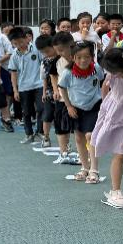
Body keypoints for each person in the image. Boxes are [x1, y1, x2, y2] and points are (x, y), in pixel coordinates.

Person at [93, 49, 123, 208]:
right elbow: (105, 88)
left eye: (117, 73)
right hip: (118, 116)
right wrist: (106, 105)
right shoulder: (113, 74)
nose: (115, 75)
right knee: (120, 153)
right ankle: (115, 191)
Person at [59, 42, 104, 183]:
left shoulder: (96, 69)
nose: (83, 60)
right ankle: (85, 168)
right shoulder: (68, 73)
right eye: (79, 57)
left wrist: (105, 101)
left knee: (91, 136)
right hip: (76, 108)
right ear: (73, 58)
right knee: (79, 138)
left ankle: (94, 170)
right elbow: (62, 88)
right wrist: (68, 106)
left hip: (94, 106)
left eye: (86, 57)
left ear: (92, 57)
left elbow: (103, 82)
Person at [7, 26, 43, 144]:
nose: (19, 45)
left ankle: (40, 132)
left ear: (27, 38)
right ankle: (29, 134)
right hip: (23, 87)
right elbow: (13, 73)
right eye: (15, 43)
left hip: (39, 85)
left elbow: (43, 64)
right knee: (26, 112)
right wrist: (15, 90)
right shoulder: (14, 55)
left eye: (21, 42)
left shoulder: (36, 49)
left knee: (40, 109)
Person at [49, 32, 79, 165]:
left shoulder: (82, 57)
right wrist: (55, 89)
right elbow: (53, 75)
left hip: (80, 100)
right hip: (62, 99)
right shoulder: (57, 60)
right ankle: (64, 153)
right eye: (57, 50)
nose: (59, 53)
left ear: (71, 45)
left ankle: (83, 155)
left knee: (80, 129)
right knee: (60, 126)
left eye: (61, 50)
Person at [36, 34, 57, 149]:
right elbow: (44, 78)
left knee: (61, 117)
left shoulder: (61, 59)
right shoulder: (44, 62)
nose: (46, 54)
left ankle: (65, 140)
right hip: (49, 92)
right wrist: (44, 92)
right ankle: (46, 137)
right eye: (43, 52)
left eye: (47, 51)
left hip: (63, 92)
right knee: (47, 115)